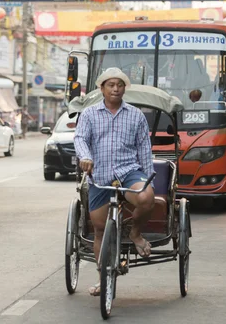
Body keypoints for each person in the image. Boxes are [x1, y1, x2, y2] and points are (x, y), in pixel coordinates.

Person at [74, 67, 155, 297]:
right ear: (102, 88)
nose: (116, 89)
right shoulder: (89, 114)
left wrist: (148, 179)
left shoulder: (135, 115)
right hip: (99, 175)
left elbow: (144, 150)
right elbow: (80, 138)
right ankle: (103, 279)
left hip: (128, 172)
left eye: (119, 85)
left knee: (146, 197)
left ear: (124, 88)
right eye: (111, 85)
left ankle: (135, 233)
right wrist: (86, 157)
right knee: (100, 229)